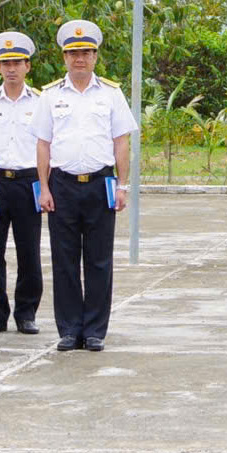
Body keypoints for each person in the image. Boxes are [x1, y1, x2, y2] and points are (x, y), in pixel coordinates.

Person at [33, 20, 137, 353]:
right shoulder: (50, 95)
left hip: (100, 183)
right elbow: (43, 145)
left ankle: (94, 330)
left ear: (95, 57)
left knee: (99, 260)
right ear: (64, 57)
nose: (80, 58)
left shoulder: (111, 93)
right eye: (74, 53)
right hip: (61, 184)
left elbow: (121, 142)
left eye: (86, 53)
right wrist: (43, 188)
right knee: (64, 260)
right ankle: (68, 330)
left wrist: (123, 185)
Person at [0, 30, 44, 336]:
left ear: (28, 66)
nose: (11, 68)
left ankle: (27, 312)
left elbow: (50, 145)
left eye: (17, 62)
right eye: (5, 62)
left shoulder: (43, 102)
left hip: (29, 181)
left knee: (28, 250)